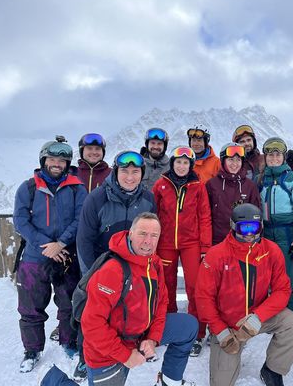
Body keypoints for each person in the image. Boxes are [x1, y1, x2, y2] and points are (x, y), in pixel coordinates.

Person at [81, 212, 197, 386]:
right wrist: (125, 355)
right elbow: (92, 324)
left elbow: (161, 303)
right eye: (143, 233)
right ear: (131, 233)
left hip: (140, 334)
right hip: (109, 348)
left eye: (154, 236)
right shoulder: (113, 270)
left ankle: (169, 381)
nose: (148, 241)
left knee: (187, 326)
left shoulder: (154, 263)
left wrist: (153, 338)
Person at [195, 204, 293, 386]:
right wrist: (219, 330)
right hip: (229, 325)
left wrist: (258, 317)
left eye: (254, 227)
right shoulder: (217, 255)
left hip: (258, 318)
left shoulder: (271, 250)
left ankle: (273, 370)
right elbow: (203, 297)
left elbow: (282, 290)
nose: (249, 234)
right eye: (243, 228)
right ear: (233, 226)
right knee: (221, 383)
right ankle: (227, 349)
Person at [75, 150, 156, 380]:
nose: (130, 177)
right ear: (115, 172)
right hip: (101, 266)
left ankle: (124, 349)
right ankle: (85, 359)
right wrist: (90, 276)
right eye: (125, 171)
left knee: (124, 314)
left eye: (135, 172)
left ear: (142, 174)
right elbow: (84, 240)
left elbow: (151, 236)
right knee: (93, 313)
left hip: (134, 269)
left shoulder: (148, 200)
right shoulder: (97, 199)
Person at [13, 136, 87, 372]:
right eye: (52, 159)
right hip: (36, 256)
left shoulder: (77, 188)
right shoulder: (29, 187)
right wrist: (48, 245)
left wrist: (62, 243)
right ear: (44, 160)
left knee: (68, 303)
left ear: (68, 163)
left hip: (66, 256)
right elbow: (21, 221)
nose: (57, 164)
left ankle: (69, 342)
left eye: (62, 160)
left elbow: (80, 219)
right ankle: (32, 350)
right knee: (31, 305)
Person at [152, 146, 212, 356]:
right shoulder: (161, 185)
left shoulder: (198, 186)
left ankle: (198, 332)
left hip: (191, 243)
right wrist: (154, 242)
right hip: (166, 243)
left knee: (195, 286)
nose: (181, 166)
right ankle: (172, 328)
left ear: (191, 165)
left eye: (186, 162)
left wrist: (205, 247)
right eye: (178, 162)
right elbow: (154, 214)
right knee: (166, 287)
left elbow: (204, 217)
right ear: (172, 163)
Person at [256, 137, 293, 312]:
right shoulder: (260, 179)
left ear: (284, 157)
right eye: (269, 155)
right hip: (266, 233)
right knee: (267, 275)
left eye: (277, 154)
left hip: (287, 233)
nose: (273, 158)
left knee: (288, 277)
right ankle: (270, 314)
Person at [206, 143, 261, 245]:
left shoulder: (250, 186)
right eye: (231, 159)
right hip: (217, 242)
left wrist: (255, 241)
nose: (234, 164)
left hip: (242, 240)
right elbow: (205, 216)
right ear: (223, 161)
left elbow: (257, 217)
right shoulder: (212, 184)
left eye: (238, 160)